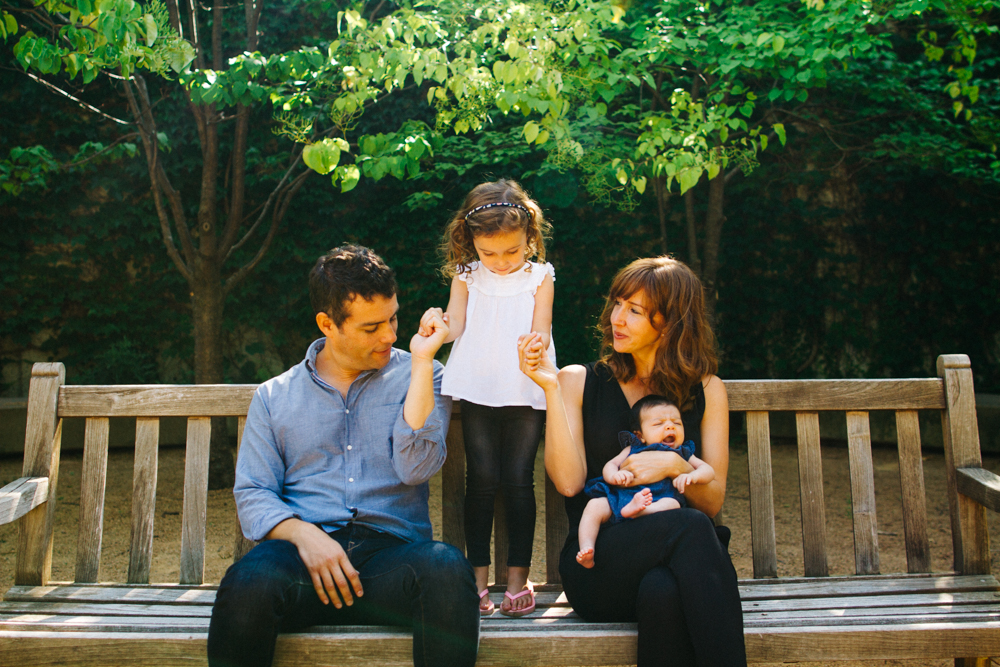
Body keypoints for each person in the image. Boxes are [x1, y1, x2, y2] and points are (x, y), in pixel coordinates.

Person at [207, 245, 480, 667]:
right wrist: (304, 535)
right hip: (303, 565)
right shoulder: (275, 396)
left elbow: (415, 469)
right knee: (249, 581)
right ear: (327, 324)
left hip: (390, 565)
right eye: (372, 327)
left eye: (393, 318)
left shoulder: (422, 374)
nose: (390, 335)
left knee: (445, 569)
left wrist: (424, 363)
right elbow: (254, 492)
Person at [518, 256, 747, 667]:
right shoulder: (577, 380)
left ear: (671, 322)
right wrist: (551, 390)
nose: (616, 318)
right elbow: (569, 483)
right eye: (617, 304)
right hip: (600, 563)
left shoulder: (708, 390)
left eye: (634, 310)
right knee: (693, 527)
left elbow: (711, 501)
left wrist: (675, 466)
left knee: (663, 592)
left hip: (677, 567)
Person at [418, 179, 554, 617]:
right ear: (470, 240)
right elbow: (455, 326)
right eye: (488, 252)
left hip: (524, 384)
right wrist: (437, 323)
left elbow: (542, 329)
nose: (499, 262)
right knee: (480, 481)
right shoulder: (466, 276)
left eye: (511, 251)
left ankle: (517, 578)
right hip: (477, 383)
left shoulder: (540, 277)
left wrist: (535, 347)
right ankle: (476, 579)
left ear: (529, 239)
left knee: (517, 481)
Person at [577, 394, 715, 569]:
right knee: (595, 506)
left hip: (658, 501)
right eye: (659, 424)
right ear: (640, 435)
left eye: (677, 423)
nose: (670, 426)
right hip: (622, 497)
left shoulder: (684, 452)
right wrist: (614, 476)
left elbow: (708, 471)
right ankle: (587, 547)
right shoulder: (633, 448)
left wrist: (691, 475)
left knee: (673, 504)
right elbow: (611, 465)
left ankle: (641, 511)